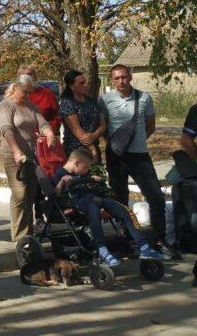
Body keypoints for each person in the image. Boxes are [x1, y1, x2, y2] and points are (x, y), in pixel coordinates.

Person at [53, 149, 163, 267]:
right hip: (79, 203)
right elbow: (55, 194)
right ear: (76, 163)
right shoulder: (60, 173)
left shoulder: (80, 174)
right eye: (85, 167)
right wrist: (61, 181)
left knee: (125, 210)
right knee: (93, 208)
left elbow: (87, 182)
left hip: (94, 198)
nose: (86, 170)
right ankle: (102, 250)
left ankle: (144, 246)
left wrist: (91, 178)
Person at [101, 64, 167, 248]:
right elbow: (103, 127)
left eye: (123, 77)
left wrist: (135, 142)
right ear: (112, 80)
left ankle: (159, 238)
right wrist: (117, 145)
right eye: (116, 78)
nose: (121, 81)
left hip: (140, 156)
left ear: (130, 77)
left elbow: (150, 126)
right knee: (120, 199)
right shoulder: (105, 100)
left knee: (155, 197)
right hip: (116, 157)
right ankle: (126, 236)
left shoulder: (144, 98)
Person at [0, 74, 58, 242]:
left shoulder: (30, 106)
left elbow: (43, 123)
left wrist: (50, 134)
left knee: (30, 194)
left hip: (31, 155)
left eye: (29, 92)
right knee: (20, 193)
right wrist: (16, 151)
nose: (27, 95)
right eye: (25, 92)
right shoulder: (6, 105)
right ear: (16, 87)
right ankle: (19, 238)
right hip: (12, 155)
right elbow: (6, 129)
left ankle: (29, 235)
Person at [58, 70, 106, 161]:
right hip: (76, 152)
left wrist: (94, 135)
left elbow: (102, 125)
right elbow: (76, 129)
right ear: (72, 86)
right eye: (81, 83)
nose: (85, 85)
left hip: (95, 146)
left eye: (85, 82)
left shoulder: (92, 101)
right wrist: (92, 150)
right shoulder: (67, 103)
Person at [17, 64, 60, 136]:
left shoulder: (47, 93)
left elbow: (57, 116)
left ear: (35, 77)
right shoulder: (15, 96)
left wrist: (47, 131)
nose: (27, 77)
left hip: (44, 136)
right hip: (23, 137)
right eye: (24, 75)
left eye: (29, 74)